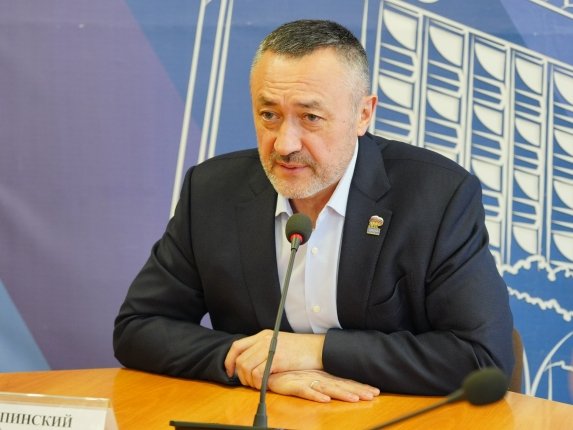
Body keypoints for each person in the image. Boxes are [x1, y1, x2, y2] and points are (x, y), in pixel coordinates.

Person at [113, 19, 514, 403]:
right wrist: (255, 364)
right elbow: (139, 327)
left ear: (363, 114)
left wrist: (315, 351)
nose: (285, 144)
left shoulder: (436, 196)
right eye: (269, 115)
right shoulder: (212, 190)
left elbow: (482, 357)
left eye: (310, 117)